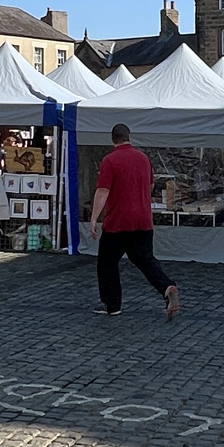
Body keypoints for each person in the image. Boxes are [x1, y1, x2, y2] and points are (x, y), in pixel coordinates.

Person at [89, 122, 180, 319]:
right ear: (129, 137)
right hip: (143, 220)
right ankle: (167, 286)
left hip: (119, 221)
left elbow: (103, 191)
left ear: (113, 139)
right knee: (145, 259)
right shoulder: (143, 158)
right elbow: (150, 186)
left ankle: (112, 305)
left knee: (107, 263)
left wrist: (94, 218)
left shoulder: (110, 160)